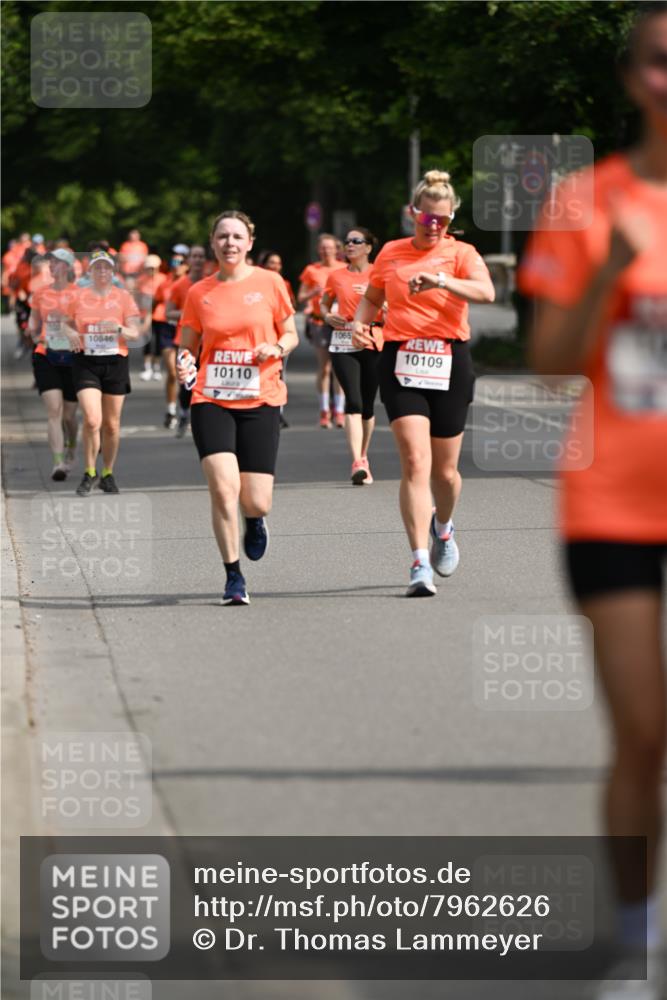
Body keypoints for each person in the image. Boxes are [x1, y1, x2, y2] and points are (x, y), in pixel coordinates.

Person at [520, 6, 667, 997]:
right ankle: (634, 936)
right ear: (630, 77)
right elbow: (545, 363)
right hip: (614, 504)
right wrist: (613, 270)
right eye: (661, 62)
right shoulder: (585, 200)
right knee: (643, 732)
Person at [353, 170, 494, 596]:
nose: (433, 226)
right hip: (401, 359)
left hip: (449, 359)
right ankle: (418, 563)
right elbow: (373, 298)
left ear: (452, 218)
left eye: (442, 220)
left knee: (446, 473)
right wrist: (361, 325)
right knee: (416, 462)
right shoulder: (392, 253)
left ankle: (444, 528)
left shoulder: (462, 253)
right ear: (412, 213)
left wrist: (441, 279)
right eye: (426, 218)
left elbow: (486, 292)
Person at [177, 210, 298, 605]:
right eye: (223, 236)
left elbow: (291, 333)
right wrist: (184, 363)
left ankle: (255, 519)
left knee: (256, 498)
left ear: (249, 243)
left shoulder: (271, 283)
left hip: (261, 397)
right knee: (223, 488)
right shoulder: (200, 292)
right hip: (211, 398)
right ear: (213, 243)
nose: (230, 242)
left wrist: (275, 348)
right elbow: (187, 344)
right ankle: (233, 576)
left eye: (237, 236)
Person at [63, 250, 142, 496]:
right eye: (97, 267)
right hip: (86, 361)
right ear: (90, 271)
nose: (102, 272)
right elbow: (64, 323)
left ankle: (107, 472)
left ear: (113, 271)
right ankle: (89, 472)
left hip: (115, 361)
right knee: (92, 419)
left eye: (106, 267)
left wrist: (119, 327)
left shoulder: (123, 298)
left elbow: (135, 332)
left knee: (111, 425)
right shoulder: (79, 296)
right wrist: (72, 333)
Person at [321, 228, 383, 484]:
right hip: (344, 341)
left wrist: (388, 307)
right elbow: (324, 303)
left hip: (373, 340)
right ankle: (356, 460)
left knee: (368, 406)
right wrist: (326, 315)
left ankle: (364, 455)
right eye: (347, 242)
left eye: (356, 241)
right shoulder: (336, 276)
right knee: (353, 401)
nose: (350, 245)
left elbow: (396, 300)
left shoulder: (380, 273)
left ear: (368, 247)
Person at [28, 249, 79, 480]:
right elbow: (33, 320)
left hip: (72, 357)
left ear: (67, 267)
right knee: (54, 411)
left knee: (69, 416)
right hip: (46, 354)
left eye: (57, 262)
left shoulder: (80, 293)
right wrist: (34, 331)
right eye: (50, 262)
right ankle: (57, 463)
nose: (51, 266)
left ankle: (71, 446)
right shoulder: (40, 293)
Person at [298, 233, 346, 428]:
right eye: (323, 247)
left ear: (336, 249)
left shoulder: (344, 268)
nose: (326, 251)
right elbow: (300, 297)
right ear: (319, 250)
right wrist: (313, 293)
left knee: (339, 367)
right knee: (324, 367)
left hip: (340, 322)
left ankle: (340, 411)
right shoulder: (311, 270)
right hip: (320, 322)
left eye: (330, 247)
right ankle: (324, 410)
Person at [167, 244, 207, 438]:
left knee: (205, 381)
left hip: (208, 342)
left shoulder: (212, 283)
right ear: (189, 260)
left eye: (201, 257)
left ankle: (201, 421)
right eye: (194, 256)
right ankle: (183, 413)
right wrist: (189, 314)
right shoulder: (179, 285)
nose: (198, 260)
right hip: (184, 340)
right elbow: (168, 312)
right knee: (187, 382)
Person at [258, 250, 297, 428]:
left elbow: (290, 307)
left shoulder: (284, 283)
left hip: (280, 336)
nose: (274, 266)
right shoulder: (257, 282)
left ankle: (278, 412)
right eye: (271, 263)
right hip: (262, 337)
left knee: (280, 372)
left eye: (277, 263)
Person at [137, 254, 167, 382]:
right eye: (149, 268)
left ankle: (157, 367)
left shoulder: (164, 279)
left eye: (154, 268)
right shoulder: (141, 280)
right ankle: (147, 368)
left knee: (159, 342)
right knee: (148, 342)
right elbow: (137, 298)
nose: (151, 270)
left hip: (160, 315)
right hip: (144, 315)